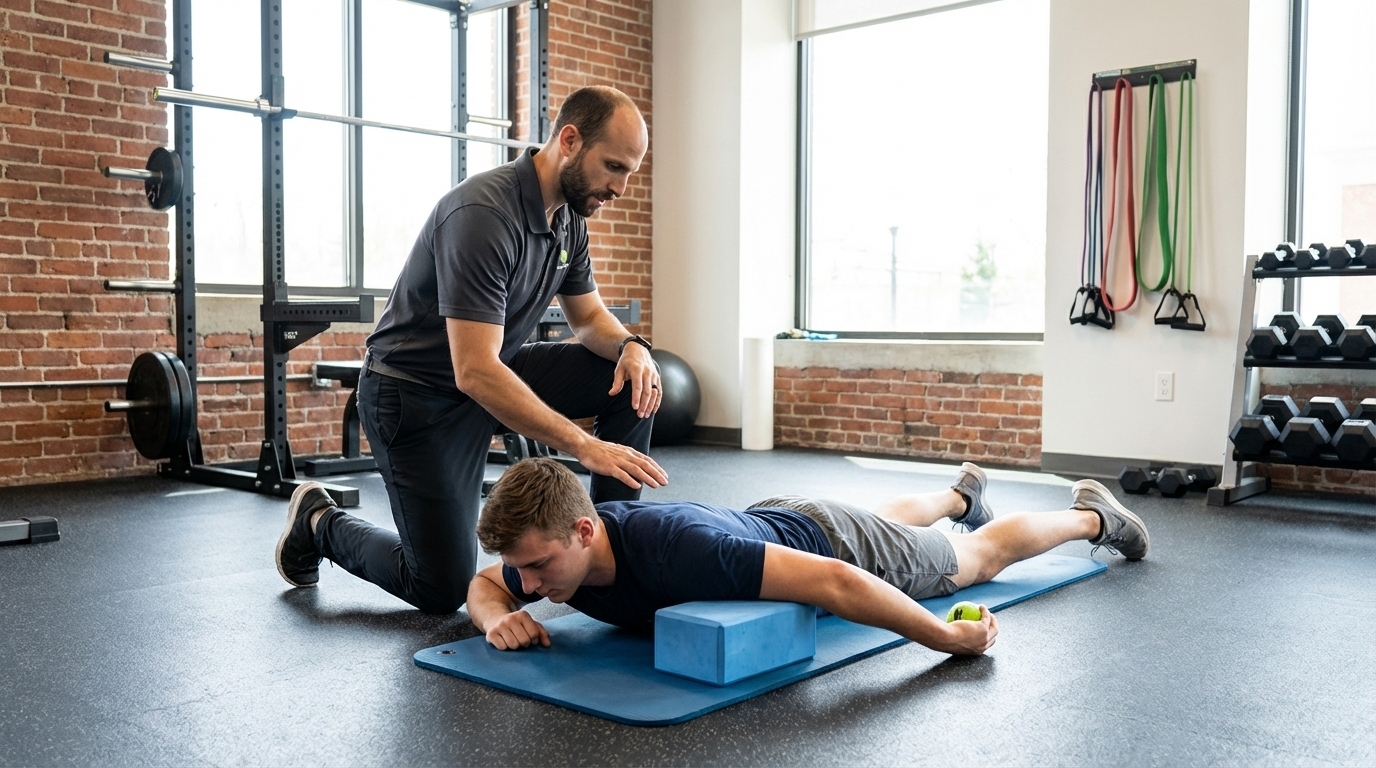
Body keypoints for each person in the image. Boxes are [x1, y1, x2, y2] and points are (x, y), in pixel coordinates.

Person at [273, 85, 669, 614]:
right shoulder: (484, 213)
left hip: (489, 371)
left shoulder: (569, 218)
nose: (619, 187)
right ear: (570, 141)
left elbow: (590, 318)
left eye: (629, 173)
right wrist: (583, 444)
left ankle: (605, 559)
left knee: (630, 377)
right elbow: (475, 371)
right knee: (441, 588)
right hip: (415, 396)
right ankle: (319, 523)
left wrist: (633, 346)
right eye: (613, 167)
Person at [465, 458, 1150, 655]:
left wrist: (946, 638)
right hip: (779, 518)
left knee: (972, 558)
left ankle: (1095, 514)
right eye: (523, 569)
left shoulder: (682, 554)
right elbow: (485, 585)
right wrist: (496, 616)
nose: (530, 585)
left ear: (585, 533)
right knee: (889, 524)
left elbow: (834, 581)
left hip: (832, 542)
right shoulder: (544, 554)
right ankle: (958, 494)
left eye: (539, 568)